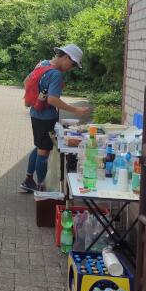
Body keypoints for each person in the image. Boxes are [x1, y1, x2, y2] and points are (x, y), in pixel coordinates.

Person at [20, 44, 91, 193]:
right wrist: (76, 110)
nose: (71, 68)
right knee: (43, 152)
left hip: (35, 113)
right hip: (46, 118)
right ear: (66, 57)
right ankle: (42, 188)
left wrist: (38, 97)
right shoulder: (56, 74)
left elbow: (26, 82)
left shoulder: (43, 64)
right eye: (72, 64)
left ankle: (28, 180)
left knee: (39, 147)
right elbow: (52, 100)